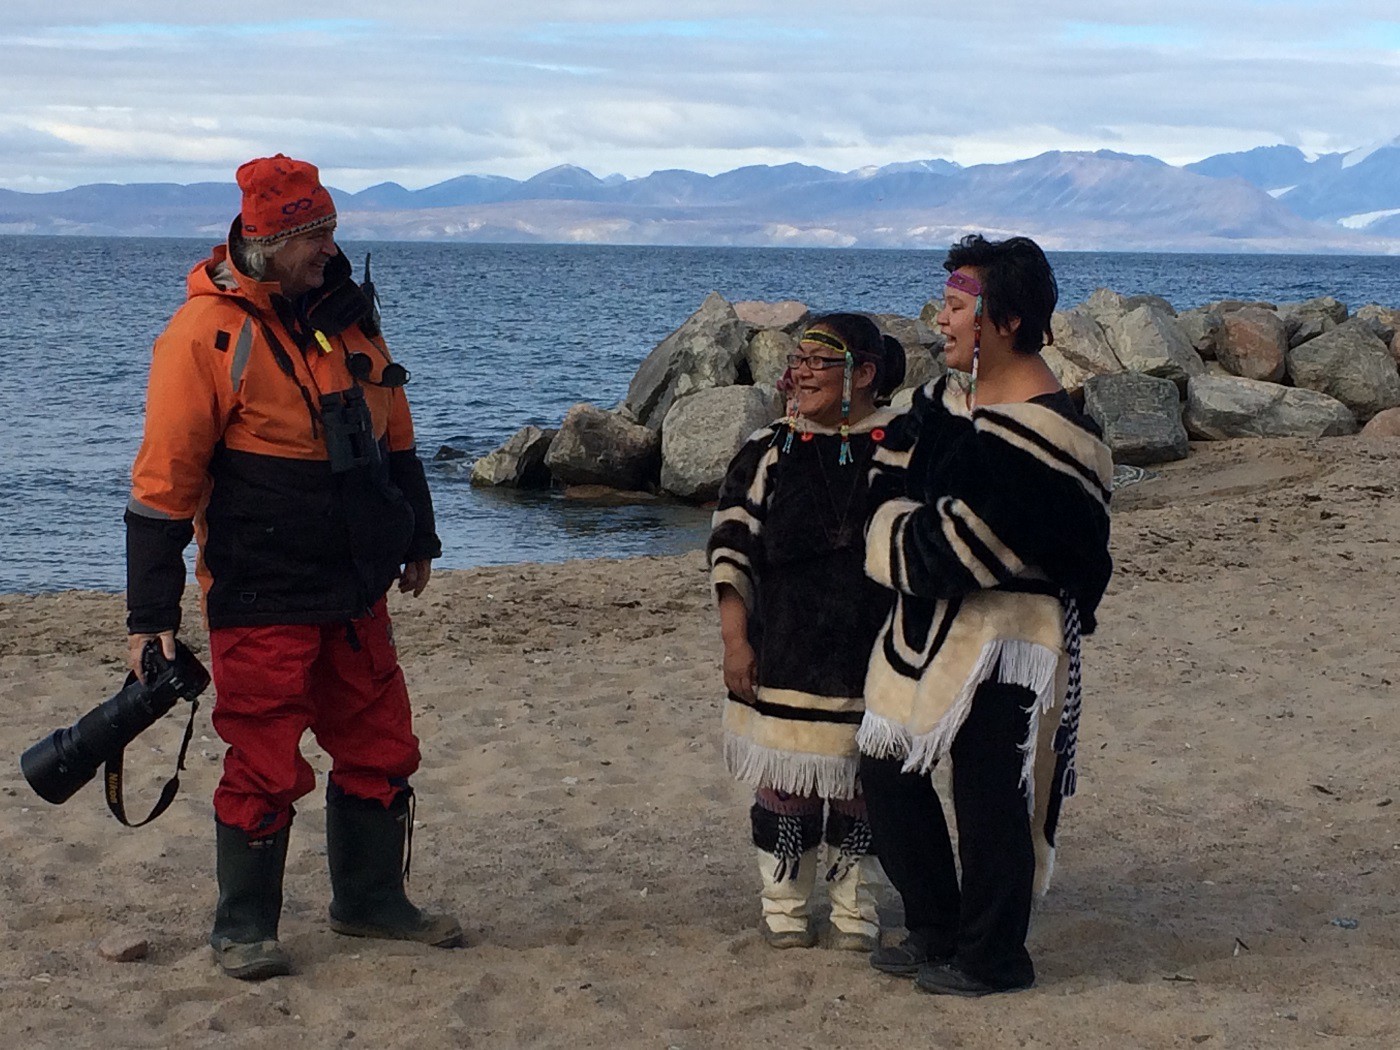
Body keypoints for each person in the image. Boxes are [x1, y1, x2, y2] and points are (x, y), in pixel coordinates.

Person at [124, 154, 461, 980]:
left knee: (382, 742)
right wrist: (150, 618)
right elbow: (165, 483)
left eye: (330, 231)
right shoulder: (202, 335)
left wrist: (417, 536)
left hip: (354, 584)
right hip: (260, 588)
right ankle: (243, 926)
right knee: (265, 759)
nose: (327, 248)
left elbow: (397, 432)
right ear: (269, 239)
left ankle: (371, 903)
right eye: (313, 235)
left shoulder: (350, 317)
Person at [857, 235, 1113, 996]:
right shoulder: (944, 403)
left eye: (956, 306)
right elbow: (882, 483)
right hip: (931, 630)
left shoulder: (1055, 437)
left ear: (1002, 320)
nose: (941, 320)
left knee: (990, 789)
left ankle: (994, 956)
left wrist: (899, 532)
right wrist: (909, 525)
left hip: (1015, 639)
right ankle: (936, 926)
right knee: (888, 765)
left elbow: (962, 549)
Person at [708, 313, 907, 951]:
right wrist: (735, 644)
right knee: (787, 785)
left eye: (818, 363)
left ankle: (855, 907)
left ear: (865, 374)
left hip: (876, 653)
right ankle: (785, 903)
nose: (801, 374)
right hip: (785, 647)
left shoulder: (902, 448)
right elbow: (731, 551)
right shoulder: (766, 450)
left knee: (861, 790)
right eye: (798, 361)